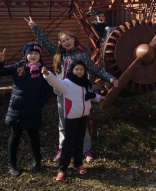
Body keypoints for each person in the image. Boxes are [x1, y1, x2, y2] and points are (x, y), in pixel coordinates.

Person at [24, 16, 118, 163]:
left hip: (79, 94)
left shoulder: (82, 55)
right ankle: (62, 148)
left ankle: (85, 149)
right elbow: (46, 42)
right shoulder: (59, 54)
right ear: (61, 44)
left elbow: (95, 70)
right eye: (63, 41)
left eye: (68, 39)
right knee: (63, 122)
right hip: (63, 93)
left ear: (73, 39)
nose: (66, 42)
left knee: (82, 122)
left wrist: (111, 78)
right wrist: (35, 27)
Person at [42, 60, 106, 181]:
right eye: (77, 69)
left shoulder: (86, 83)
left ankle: (78, 164)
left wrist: (99, 98)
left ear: (84, 71)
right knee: (68, 142)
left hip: (83, 115)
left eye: (81, 69)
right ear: (72, 70)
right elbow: (56, 83)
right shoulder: (67, 83)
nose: (79, 71)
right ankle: (62, 169)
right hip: (71, 116)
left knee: (79, 140)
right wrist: (48, 74)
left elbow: (90, 95)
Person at [0, 43, 53, 177]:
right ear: (25, 55)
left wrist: (39, 104)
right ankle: (12, 165)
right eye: (31, 53)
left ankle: (37, 162)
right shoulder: (18, 67)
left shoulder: (43, 71)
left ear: (40, 55)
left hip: (33, 109)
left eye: (36, 53)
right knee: (15, 136)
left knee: (34, 136)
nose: (33, 56)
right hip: (17, 108)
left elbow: (48, 90)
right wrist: (1, 62)